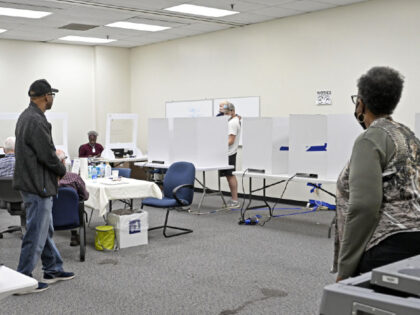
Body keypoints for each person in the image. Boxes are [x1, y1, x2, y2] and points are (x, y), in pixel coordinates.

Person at [335, 67, 420, 282]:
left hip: (384, 244)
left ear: (361, 102)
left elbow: (364, 207)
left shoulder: (370, 139)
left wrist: (345, 269)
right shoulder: (408, 134)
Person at [13, 79, 74, 294]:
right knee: (36, 232)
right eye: (52, 95)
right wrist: (62, 170)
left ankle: (53, 268)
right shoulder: (36, 120)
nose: (52, 99)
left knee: (44, 229)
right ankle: (23, 277)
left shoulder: (26, 116)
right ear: (45, 96)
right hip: (38, 184)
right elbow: (47, 155)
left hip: (31, 181)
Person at [56, 149, 89, 246]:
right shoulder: (74, 177)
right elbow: (85, 196)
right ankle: (74, 235)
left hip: (51, 214)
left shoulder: (46, 179)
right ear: (63, 161)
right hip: (72, 215)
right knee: (76, 204)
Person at [219, 102, 241, 208]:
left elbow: (231, 140)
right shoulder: (233, 120)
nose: (224, 115)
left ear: (232, 111)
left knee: (230, 176)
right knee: (229, 176)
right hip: (227, 153)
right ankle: (234, 199)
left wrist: (217, 146)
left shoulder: (232, 123)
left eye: (226, 113)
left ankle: (235, 200)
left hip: (229, 153)